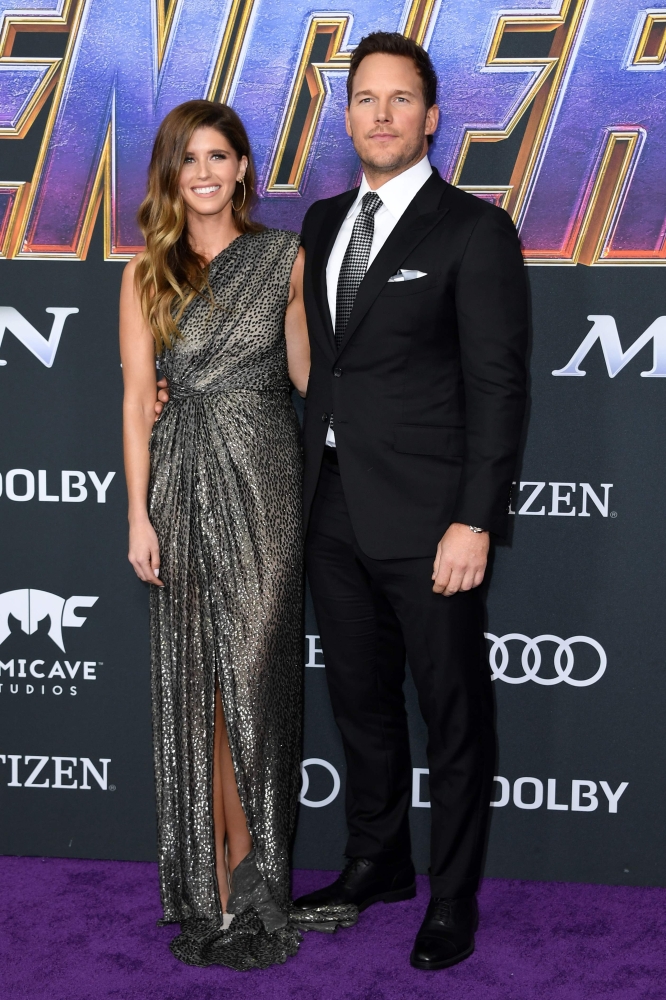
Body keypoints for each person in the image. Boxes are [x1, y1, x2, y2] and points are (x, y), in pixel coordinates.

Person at [291, 32, 528, 971]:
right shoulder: (321, 223)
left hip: (433, 521)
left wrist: (475, 518)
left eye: (399, 99)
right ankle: (377, 861)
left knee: (452, 711)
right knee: (360, 701)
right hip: (330, 506)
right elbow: (317, 363)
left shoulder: (473, 230)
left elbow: (498, 388)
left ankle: (452, 896)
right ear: (346, 116)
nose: (381, 114)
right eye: (365, 98)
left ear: (431, 117)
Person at [120, 100, 352, 971]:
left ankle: (260, 881)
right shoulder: (146, 274)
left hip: (265, 482)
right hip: (180, 482)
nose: (205, 173)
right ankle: (220, 888)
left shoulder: (286, 258)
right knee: (205, 691)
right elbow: (137, 403)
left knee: (255, 681)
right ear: (171, 175)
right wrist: (138, 514)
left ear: (245, 168)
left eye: (220, 156)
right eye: (189, 159)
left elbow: (307, 374)